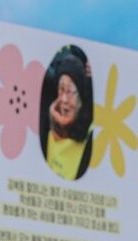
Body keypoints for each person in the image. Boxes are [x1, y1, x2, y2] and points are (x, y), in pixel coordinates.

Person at [39, 46, 93, 181]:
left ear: (81, 99)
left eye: (69, 91)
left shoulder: (91, 138)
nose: (63, 99)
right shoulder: (47, 124)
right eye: (61, 89)